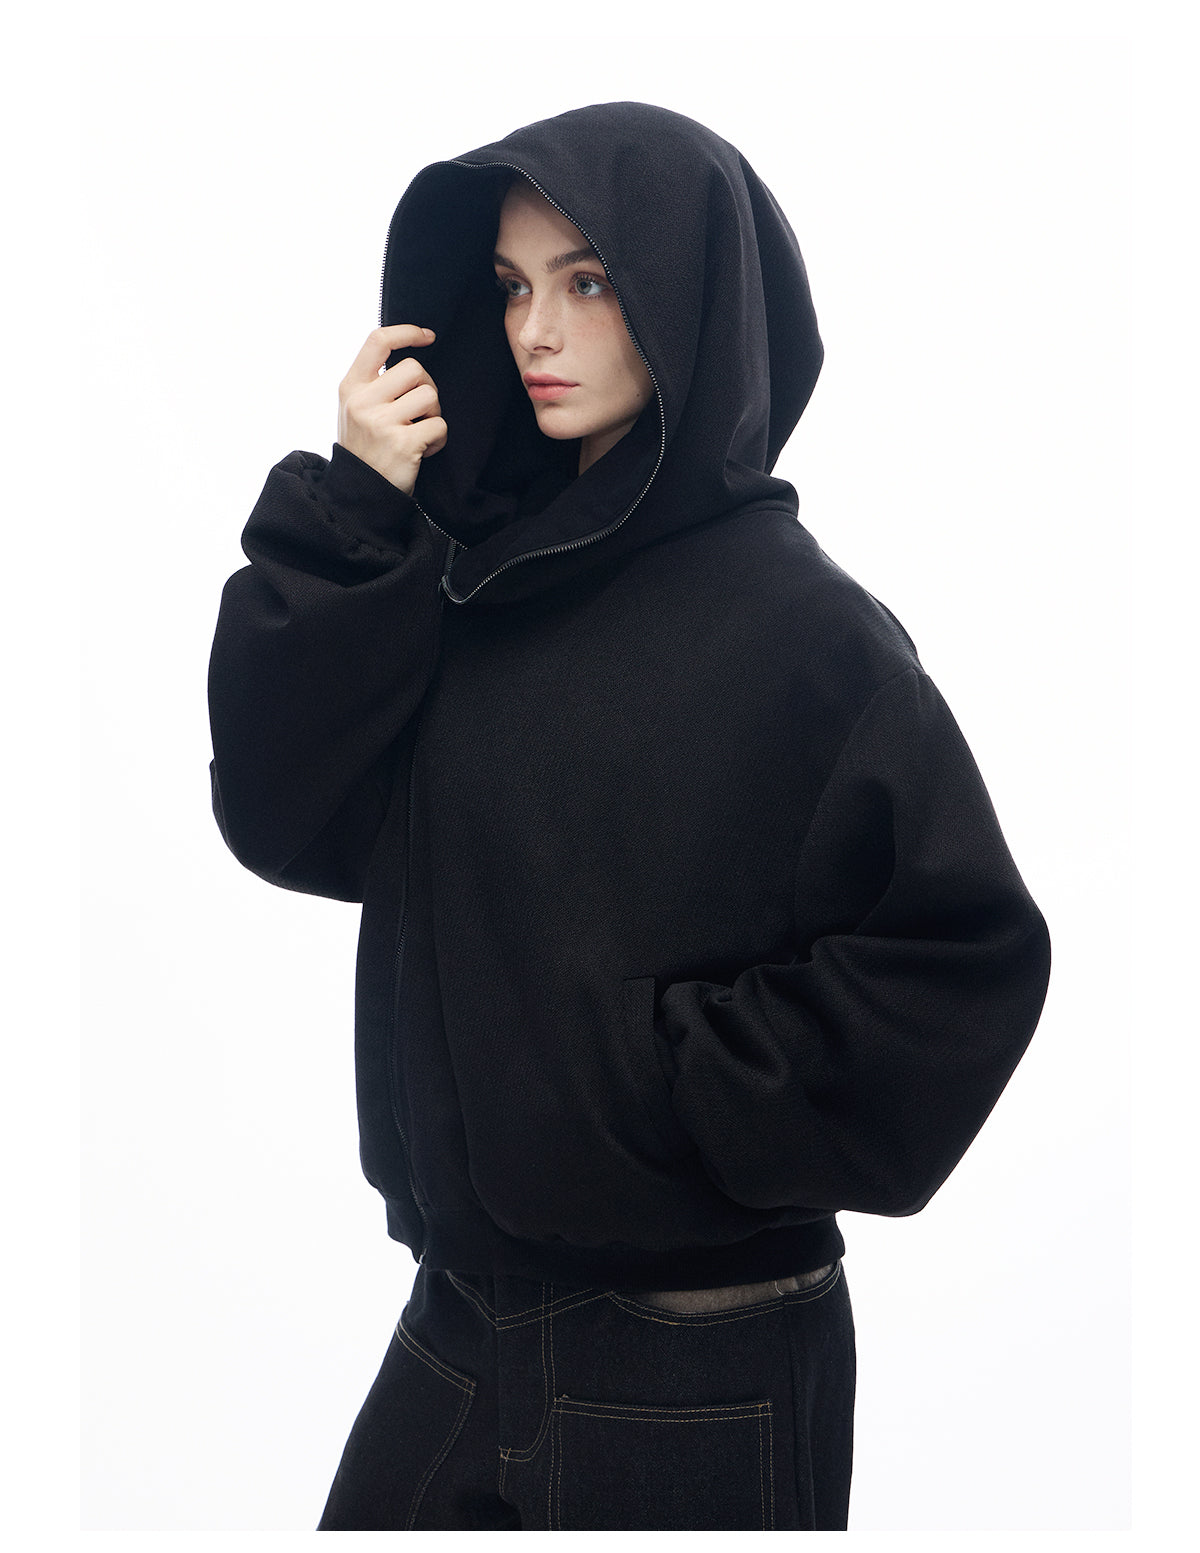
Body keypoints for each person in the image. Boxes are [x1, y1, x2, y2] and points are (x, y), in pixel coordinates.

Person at [207, 101, 1051, 1532]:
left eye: (587, 281)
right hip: (462, 1319)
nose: (536, 330)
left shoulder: (809, 634)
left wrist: (665, 1087)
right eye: (510, 287)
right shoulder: (469, 585)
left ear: (688, 294)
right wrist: (360, 515)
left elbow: (962, 964)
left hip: (702, 1354)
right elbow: (284, 813)